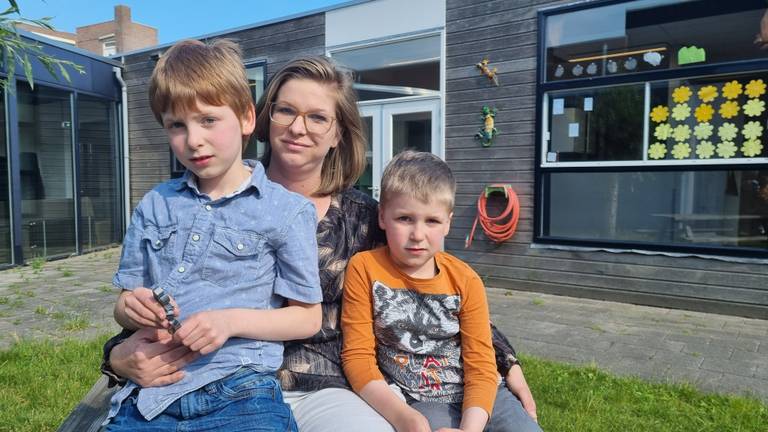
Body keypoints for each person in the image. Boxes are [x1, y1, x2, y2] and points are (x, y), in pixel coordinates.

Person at [100, 54, 538, 431]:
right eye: (286, 111)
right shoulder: (210, 199)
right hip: (210, 377)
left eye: (317, 117)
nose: (298, 127)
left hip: (327, 388)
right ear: (263, 118)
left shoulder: (366, 219)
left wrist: (505, 360)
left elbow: (437, 286)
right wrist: (118, 357)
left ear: (338, 133)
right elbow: (163, 297)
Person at [103, 39, 323, 431]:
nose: (193, 140)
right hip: (152, 394)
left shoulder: (286, 211)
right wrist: (131, 308)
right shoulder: (155, 204)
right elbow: (124, 302)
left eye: (208, 120)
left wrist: (229, 322)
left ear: (246, 118)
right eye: (177, 125)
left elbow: (307, 317)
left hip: (242, 391)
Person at [341, 151, 541, 432]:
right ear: (382, 216)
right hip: (420, 399)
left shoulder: (466, 280)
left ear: (448, 222)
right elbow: (357, 357)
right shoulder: (364, 268)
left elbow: (481, 365)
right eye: (404, 218)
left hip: (488, 396)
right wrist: (405, 417)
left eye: (432, 221)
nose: (417, 234)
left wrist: (470, 429)